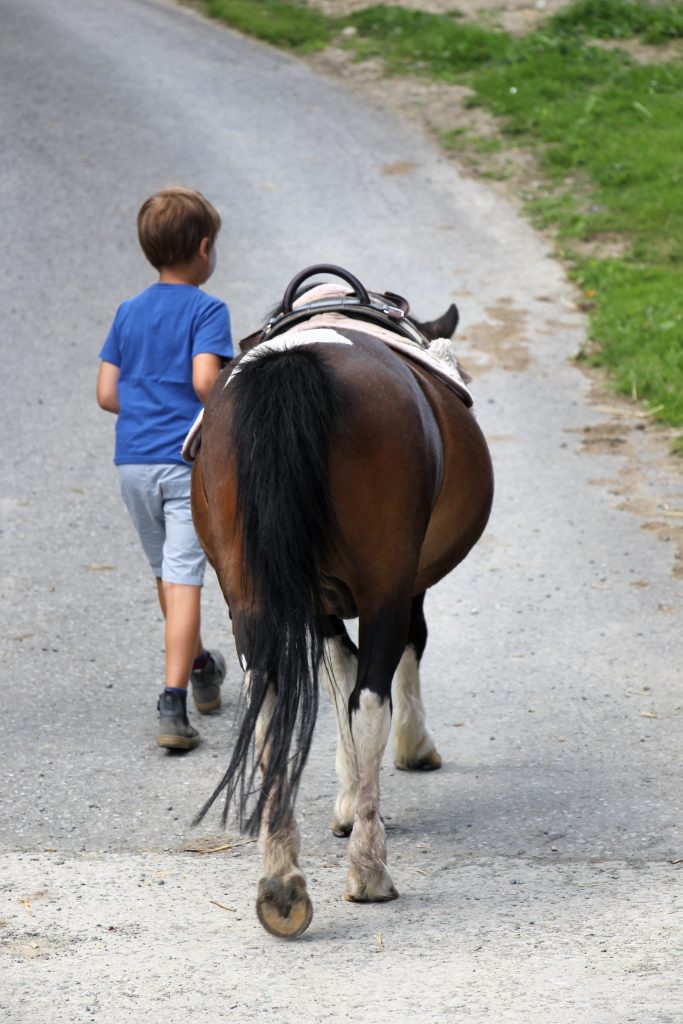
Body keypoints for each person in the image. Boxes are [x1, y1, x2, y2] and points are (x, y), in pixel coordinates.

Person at [97, 186, 234, 751]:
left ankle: (201, 666)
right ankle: (173, 706)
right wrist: (225, 401)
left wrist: (147, 405)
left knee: (167, 575)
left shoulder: (128, 312)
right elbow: (206, 381)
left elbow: (107, 393)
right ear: (204, 249)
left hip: (132, 464)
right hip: (183, 463)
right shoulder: (208, 310)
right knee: (184, 580)